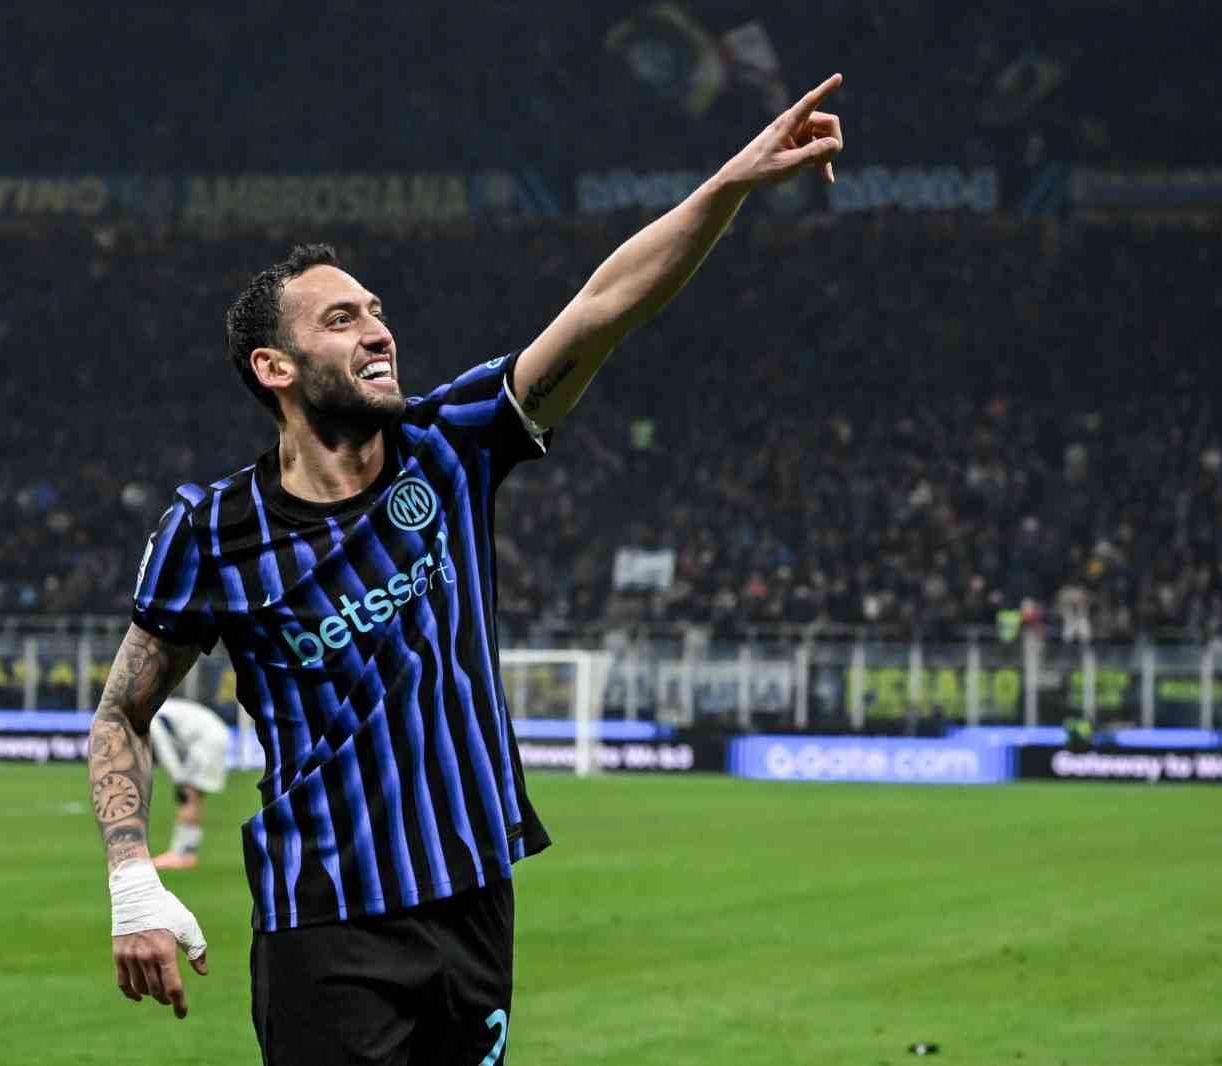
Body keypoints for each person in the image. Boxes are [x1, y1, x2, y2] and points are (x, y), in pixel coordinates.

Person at [85, 73, 844, 1061]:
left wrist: (730, 182)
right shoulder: (213, 530)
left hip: (476, 898)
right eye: (341, 319)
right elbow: (121, 711)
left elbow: (603, 305)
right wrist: (132, 880)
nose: (378, 329)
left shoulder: (450, 445)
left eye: (376, 311)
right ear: (275, 368)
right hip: (328, 923)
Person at [148, 696, 233, 870]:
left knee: (189, 795)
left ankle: (181, 854)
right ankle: (187, 852)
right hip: (215, 735)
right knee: (195, 797)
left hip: (207, 741)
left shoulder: (152, 717)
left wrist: (179, 779)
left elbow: (166, 751)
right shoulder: (160, 707)